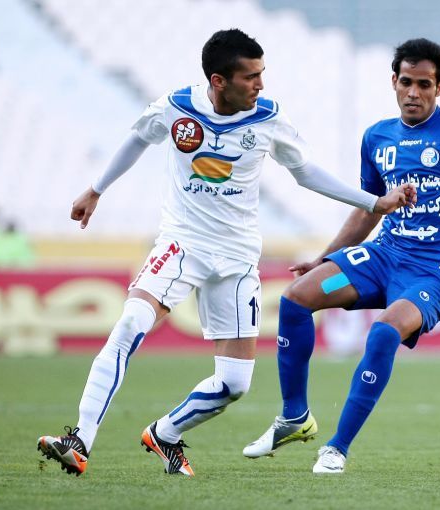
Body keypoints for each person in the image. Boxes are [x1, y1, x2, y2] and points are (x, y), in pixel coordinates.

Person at [37, 29, 414, 477]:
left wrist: (374, 202)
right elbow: (138, 138)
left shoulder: (268, 117)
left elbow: (306, 172)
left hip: (237, 258)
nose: (260, 85)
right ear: (219, 81)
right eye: (250, 77)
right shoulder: (177, 107)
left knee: (235, 383)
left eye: (261, 74)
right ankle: (79, 440)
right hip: (183, 243)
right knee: (131, 323)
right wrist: (96, 189)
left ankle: (165, 434)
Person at [243, 38, 440, 473]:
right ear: (394, 81)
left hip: (433, 273)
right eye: (407, 82)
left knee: (383, 332)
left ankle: (336, 448)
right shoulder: (376, 137)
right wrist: (325, 258)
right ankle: (294, 416)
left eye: (425, 85)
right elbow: (368, 209)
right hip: (380, 258)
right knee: (296, 298)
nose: (414, 92)